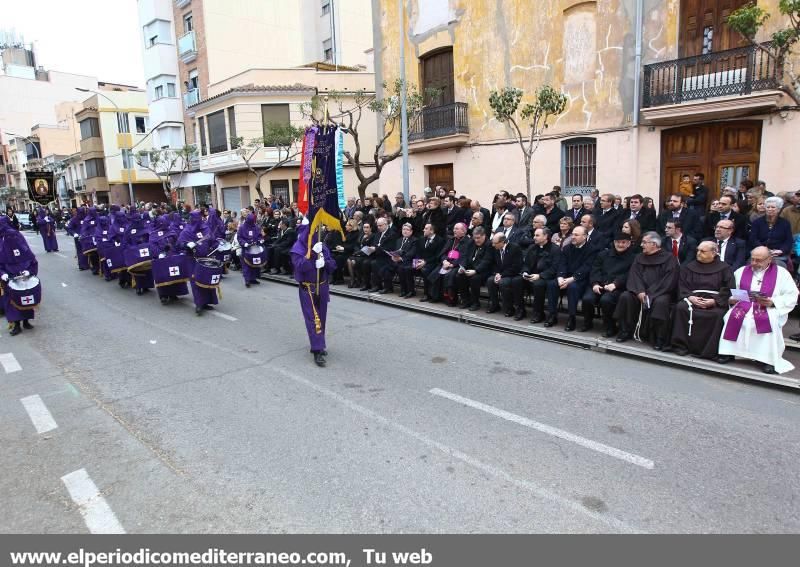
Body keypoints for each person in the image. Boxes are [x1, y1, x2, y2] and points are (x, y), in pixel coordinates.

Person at [717, 246, 798, 374]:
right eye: (752, 259)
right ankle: (728, 352)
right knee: (731, 316)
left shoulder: (782, 274)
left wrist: (773, 302)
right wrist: (732, 299)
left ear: (769, 259)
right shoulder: (741, 271)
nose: (754, 263)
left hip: (768, 307)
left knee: (768, 321)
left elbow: (792, 294)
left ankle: (766, 359)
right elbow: (730, 290)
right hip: (743, 305)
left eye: (758, 260)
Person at [670, 241, 735, 358]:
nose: (698, 253)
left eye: (703, 251)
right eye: (698, 250)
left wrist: (715, 301)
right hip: (692, 298)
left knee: (718, 314)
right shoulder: (689, 267)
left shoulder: (725, 268)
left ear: (714, 253)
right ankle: (681, 346)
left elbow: (729, 288)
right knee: (681, 308)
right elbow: (682, 284)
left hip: (714, 300)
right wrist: (689, 296)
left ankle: (708, 350)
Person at [614, 231, 679, 349]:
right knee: (625, 296)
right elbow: (634, 275)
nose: (641, 245)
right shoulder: (639, 257)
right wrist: (639, 291)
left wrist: (651, 294)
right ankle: (625, 331)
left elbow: (668, 280)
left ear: (654, 244)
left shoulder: (669, 258)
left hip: (660, 292)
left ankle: (659, 337)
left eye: (644, 242)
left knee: (661, 302)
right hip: (640, 291)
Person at [291, 218, 337, 367]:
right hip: (308, 288)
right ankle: (317, 349)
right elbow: (299, 266)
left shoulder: (321, 246)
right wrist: (311, 256)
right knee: (313, 319)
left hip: (322, 286)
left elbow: (333, 265)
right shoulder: (298, 248)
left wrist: (325, 262)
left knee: (322, 317)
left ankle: (318, 343)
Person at [582, 231, 635, 335]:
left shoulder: (633, 258)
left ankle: (610, 327)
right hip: (599, 285)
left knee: (606, 300)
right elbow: (595, 270)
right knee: (587, 299)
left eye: (623, 242)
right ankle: (587, 323)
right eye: (618, 242)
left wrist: (616, 284)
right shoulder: (603, 254)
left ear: (629, 243)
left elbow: (629, 274)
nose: (620, 245)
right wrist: (595, 283)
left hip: (617, 287)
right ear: (614, 242)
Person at [545, 226, 595, 330]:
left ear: (585, 236)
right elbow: (562, 264)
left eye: (576, 235)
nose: (573, 237)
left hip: (581, 279)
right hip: (565, 277)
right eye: (572, 234)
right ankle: (552, 315)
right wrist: (560, 277)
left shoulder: (591, 249)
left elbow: (587, 267)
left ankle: (571, 317)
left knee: (573, 287)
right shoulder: (567, 248)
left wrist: (572, 279)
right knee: (552, 284)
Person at [0, 217, 39, 335]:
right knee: (11, 300)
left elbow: (28, 254)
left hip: (23, 273)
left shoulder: (17, 236)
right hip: (8, 274)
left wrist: (30, 270)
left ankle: (26, 321)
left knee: (26, 297)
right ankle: (16, 324)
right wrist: (3, 274)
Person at [516, 227, 560, 323]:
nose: (534, 238)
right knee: (517, 281)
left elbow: (554, 268)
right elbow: (526, 264)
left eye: (537, 235)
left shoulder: (555, 249)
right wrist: (525, 272)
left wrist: (540, 276)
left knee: (538, 284)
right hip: (531, 276)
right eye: (534, 235)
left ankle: (538, 313)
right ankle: (521, 309)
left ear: (545, 237)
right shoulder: (532, 247)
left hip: (545, 277)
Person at [485, 232, 523, 317]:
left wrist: (502, 275)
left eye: (495, 243)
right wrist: (497, 273)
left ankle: (509, 308)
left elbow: (516, 267)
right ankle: (495, 305)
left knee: (503, 283)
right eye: (493, 243)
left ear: (503, 242)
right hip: (500, 273)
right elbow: (493, 263)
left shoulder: (515, 248)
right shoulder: (495, 249)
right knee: (490, 281)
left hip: (512, 274)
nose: (493, 245)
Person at [748, 196, 793, 266]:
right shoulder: (757, 222)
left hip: (777, 255)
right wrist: (764, 250)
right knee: (751, 264)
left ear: (778, 209)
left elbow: (788, 240)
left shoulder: (785, 223)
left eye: (773, 207)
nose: (770, 209)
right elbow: (753, 239)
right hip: (759, 252)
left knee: (778, 266)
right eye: (768, 207)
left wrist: (781, 250)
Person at [456, 226, 492, 310]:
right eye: (474, 238)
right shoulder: (471, 242)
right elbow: (464, 255)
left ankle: (475, 303)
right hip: (470, 268)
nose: (476, 240)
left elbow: (486, 261)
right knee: (459, 276)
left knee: (474, 279)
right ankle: (465, 300)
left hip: (483, 271)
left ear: (484, 236)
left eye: (478, 238)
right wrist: (463, 266)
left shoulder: (489, 244)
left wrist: (476, 271)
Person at [379, 222, 417, 296]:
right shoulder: (399, 240)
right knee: (385, 268)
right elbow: (395, 250)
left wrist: (401, 258)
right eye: (403, 229)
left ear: (411, 231)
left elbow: (412, 253)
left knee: (402, 268)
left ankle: (409, 291)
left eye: (407, 230)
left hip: (407, 261)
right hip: (396, 260)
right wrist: (393, 256)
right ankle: (388, 288)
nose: (405, 231)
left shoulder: (414, 240)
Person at [237, 212, 264, 288]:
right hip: (246, 249)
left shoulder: (256, 227)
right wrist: (244, 243)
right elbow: (239, 237)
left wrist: (260, 240)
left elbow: (259, 236)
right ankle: (247, 280)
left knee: (255, 264)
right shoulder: (242, 227)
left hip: (255, 248)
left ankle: (253, 279)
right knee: (246, 265)